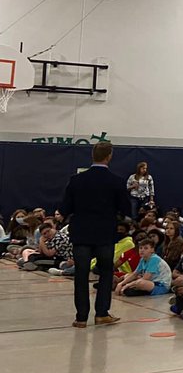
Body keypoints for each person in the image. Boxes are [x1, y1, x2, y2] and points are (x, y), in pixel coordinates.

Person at [61, 141, 129, 328]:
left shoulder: (76, 180)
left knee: (81, 275)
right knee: (105, 273)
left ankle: (81, 317)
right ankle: (101, 314)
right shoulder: (116, 181)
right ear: (109, 156)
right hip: (105, 234)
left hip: (81, 233)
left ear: (93, 156)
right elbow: (125, 208)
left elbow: (65, 208)